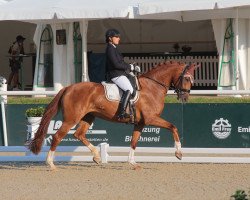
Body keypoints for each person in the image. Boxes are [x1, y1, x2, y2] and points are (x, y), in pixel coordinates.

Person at [105, 29, 140, 119]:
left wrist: (130, 66)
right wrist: (129, 67)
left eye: (119, 37)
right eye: (116, 37)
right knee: (129, 89)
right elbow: (116, 64)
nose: (118, 38)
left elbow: (121, 62)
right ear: (110, 38)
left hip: (120, 73)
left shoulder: (114, 48)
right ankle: (121, 112)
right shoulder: (110, 49)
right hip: (116, 74)